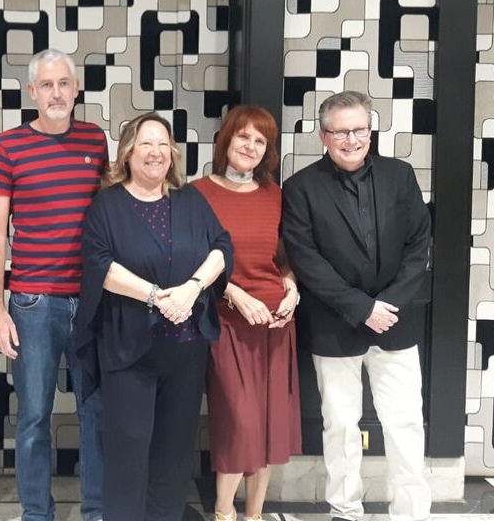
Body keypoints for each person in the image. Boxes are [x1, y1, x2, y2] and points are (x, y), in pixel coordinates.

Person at [75, 112, 234, 521]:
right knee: (127, 452)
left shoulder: (189, 200)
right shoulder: (108, 205)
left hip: (185, 350)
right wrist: (156, 297)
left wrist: (192, 288)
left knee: (173, 454)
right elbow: (99, 264)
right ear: (128, 153)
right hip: (129, 350)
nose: (156, 152)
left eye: (163, 144)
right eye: (146, 143)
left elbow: (221, 247)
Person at [281, 90, 432, 521]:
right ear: (323, 136)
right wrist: (362, 308)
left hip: (395, 322)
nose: (351, 139)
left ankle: (412, 513)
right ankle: (345, 511)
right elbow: (306, 259)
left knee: (405, 423)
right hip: (335, 323)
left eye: (359, 130)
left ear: (370, 131)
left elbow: (419, 243)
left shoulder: (400, 175)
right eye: (341, 132)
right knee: (341, 425)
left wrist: (387, 305)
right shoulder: (301, 187)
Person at [0, 49, 106, 521]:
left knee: (96, 412)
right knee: (34, 415)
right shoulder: (7, 147)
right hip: (33, 304)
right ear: (32, 91)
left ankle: (96, 511)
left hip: (92, 301)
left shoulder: (95, 140)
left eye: (64, 84)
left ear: (76, 90)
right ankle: (37, 513)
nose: (57, 93)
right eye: (47, 85)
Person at [192, 105, 301, 521]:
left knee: (269, 427)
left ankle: (253, 515)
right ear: (226, 140)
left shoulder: (274, 194)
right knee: (240, 423)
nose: (250, 146)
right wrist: (234, 293)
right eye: (243, 136)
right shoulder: (198, 194)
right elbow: (190, 263)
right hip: (226, 323)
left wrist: (292, 289)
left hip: (276, 324)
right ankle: (224, 513)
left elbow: (283, 259)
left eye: (260, 141)